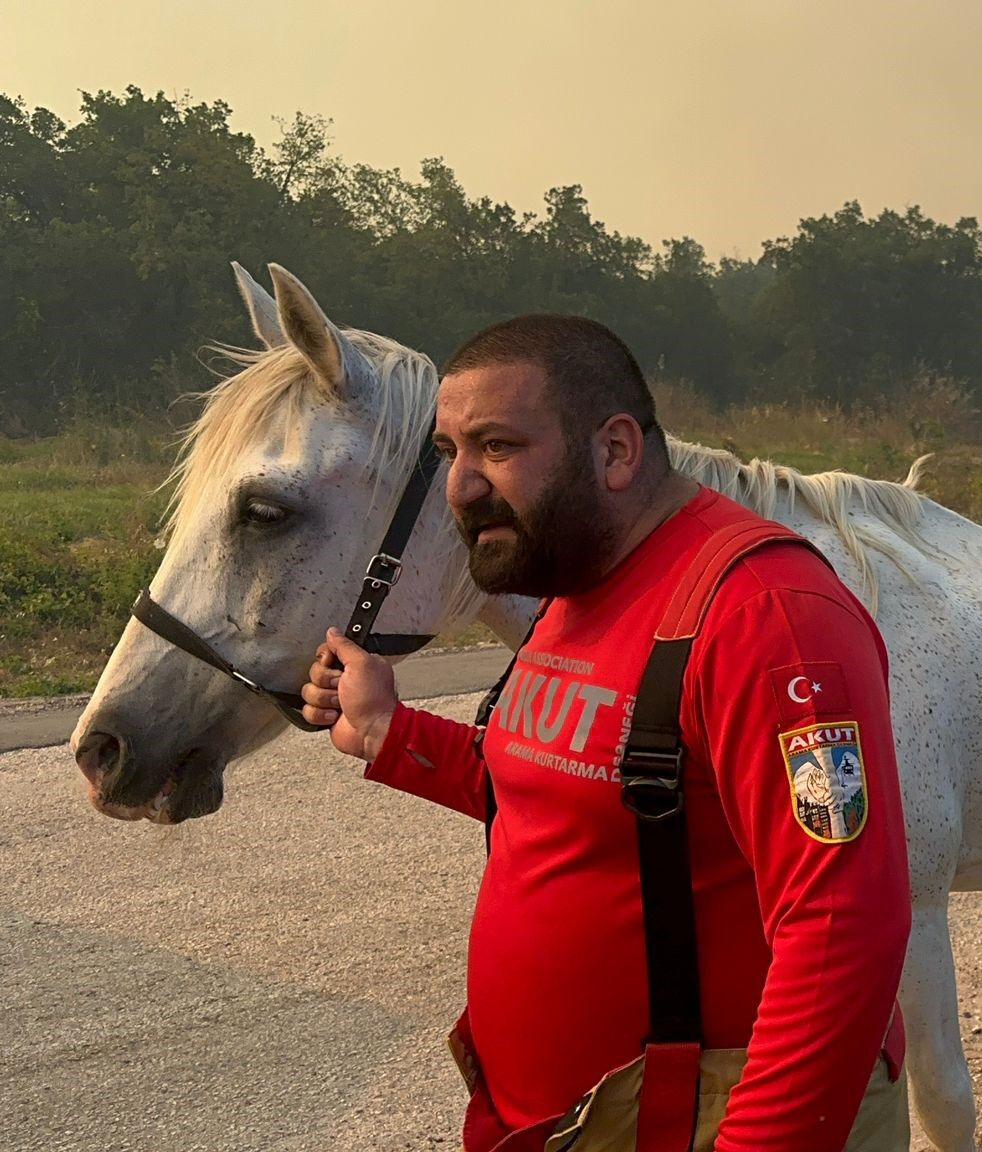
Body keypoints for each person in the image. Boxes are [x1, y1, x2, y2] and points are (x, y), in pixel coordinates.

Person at [300, 314, 913, 1150]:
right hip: (573, 1119)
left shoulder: (768, 617)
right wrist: (387, 731)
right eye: (450, 453)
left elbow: (843, 928)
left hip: (707, 1120)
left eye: (498, 447)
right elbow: (568, 787)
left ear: (616, 451)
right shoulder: (577, 581)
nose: (460, 488)